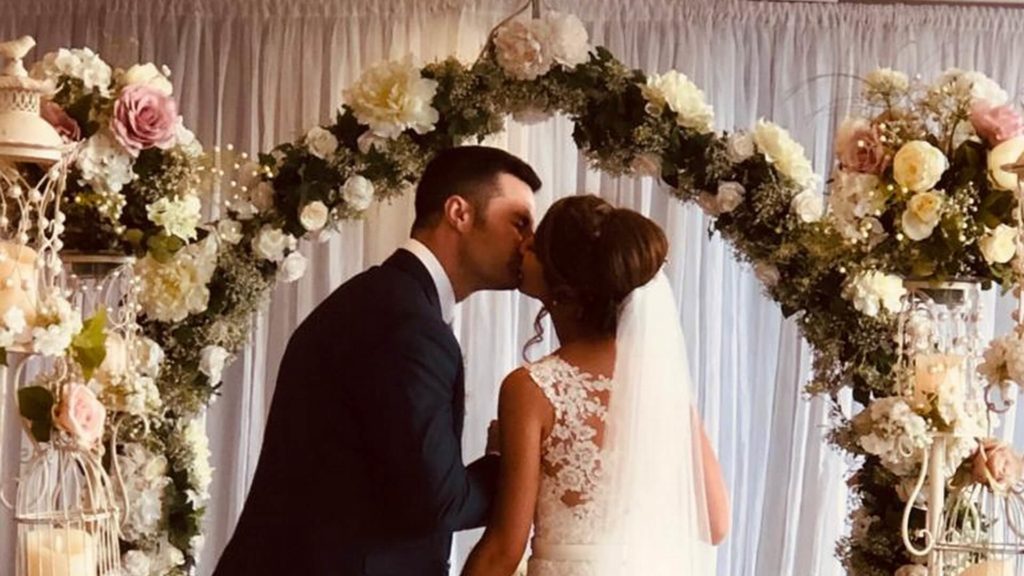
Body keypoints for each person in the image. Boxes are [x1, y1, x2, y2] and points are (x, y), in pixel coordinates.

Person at [213, 146, 541, 576]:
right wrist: (509, 458)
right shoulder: (406, 323)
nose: (529, 242)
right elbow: (438, 502)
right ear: (459, 213)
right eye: (519, 222)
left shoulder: (388, 300)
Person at [462, 195, 730, 576]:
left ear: (566, 286)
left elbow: (504, 549)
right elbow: (716, 524)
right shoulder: (657, 380)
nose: (523, 247)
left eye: (535, 247)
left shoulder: (533, 388)